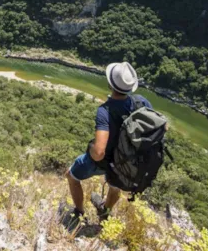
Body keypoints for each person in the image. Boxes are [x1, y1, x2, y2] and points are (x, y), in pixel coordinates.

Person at [66, 62, 153, 228]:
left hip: (105, 161)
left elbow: (99, 152)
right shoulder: (142, 102)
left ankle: (78, 211)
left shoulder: (105, 111)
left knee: (71, 176)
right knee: (114, 187)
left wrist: (90, 147)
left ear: (110, 83)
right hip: (126, 162)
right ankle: (105, 211)